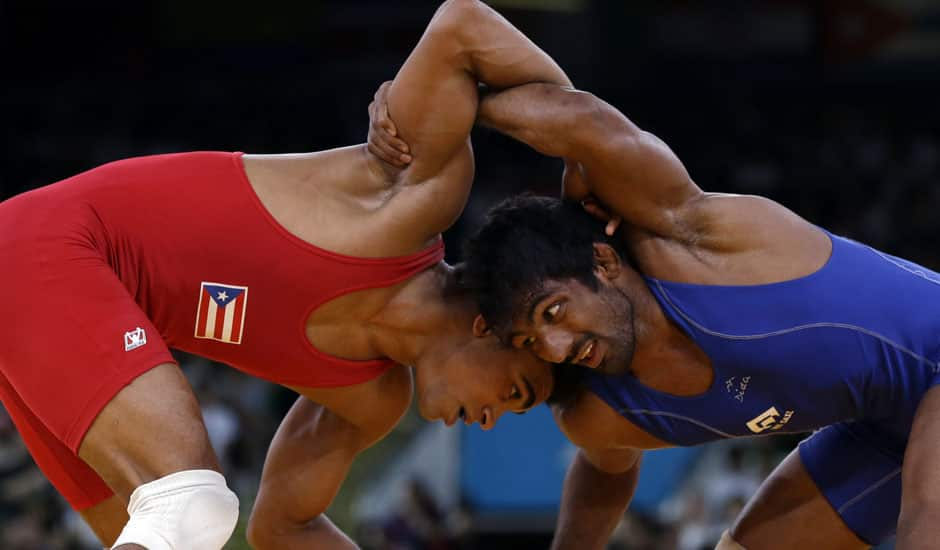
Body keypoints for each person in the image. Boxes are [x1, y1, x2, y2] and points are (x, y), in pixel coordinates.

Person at [0, 1, 565, 548]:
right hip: (54, 247)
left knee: (163, 528)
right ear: (490, 326)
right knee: (192, 504)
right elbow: (462, 25)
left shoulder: (371, 399)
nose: (492, 420)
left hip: (44, 291)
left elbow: (281, 528)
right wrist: (585, 154)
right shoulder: (413, 205)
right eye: (515, 391)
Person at [368, 32, 940, 550]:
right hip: (883, 428)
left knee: (926, 528)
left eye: (556, 311)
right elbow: (605, 472)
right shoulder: (601, 412)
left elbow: (581, 121)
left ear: (603, 262)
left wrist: (433, 108)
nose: (559, 346)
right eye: (534, 339)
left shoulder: (690, 238)